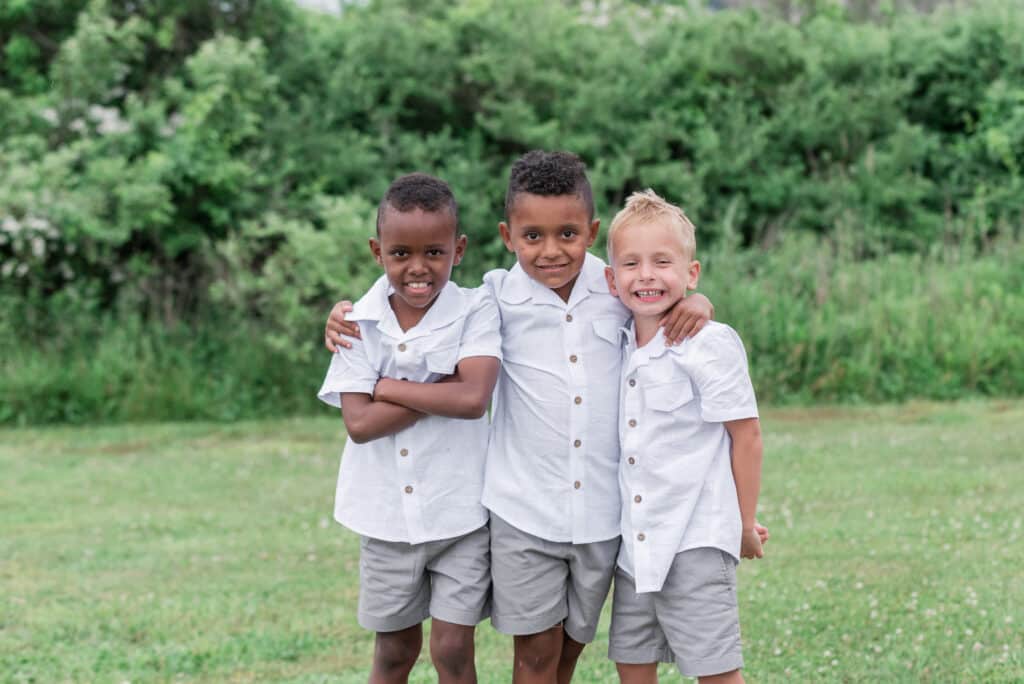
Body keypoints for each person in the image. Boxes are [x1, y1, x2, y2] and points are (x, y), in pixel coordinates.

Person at [326, 151, 716, 684]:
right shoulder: (491, 299)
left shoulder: (617, 289)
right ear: (508, 236)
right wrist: (344, 314)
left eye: (568, 235)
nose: (551, 251)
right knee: (534, 653)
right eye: (533, 237)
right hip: (524, 512)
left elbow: (663, 295)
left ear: (592, 231)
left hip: (603, 512)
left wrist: (702, 302)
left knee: (568, 655)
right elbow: (424, 309)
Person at [317, 173, 502, 684]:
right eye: (400, 254)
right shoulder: (358, 321)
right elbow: (359, 423)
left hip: (461, 513)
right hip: (385, 519)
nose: (417, 268)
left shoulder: (475, 309)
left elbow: (471, 398)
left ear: (458, 249)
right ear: (378, 251)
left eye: (434, 253)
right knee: (394, 652)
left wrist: (389, 386)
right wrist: (438, 384)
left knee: (452, 649)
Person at [603, 190, 766, 684]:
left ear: (691, 274)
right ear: (611, 280)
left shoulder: (709, 343)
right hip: (636, 545)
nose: (646, 275)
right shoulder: (619, 336)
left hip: (694, 539)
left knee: (715, 671)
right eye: (630, 264)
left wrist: (744, 522)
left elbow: (747, 435)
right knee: (632, 664)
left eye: (662, 262)